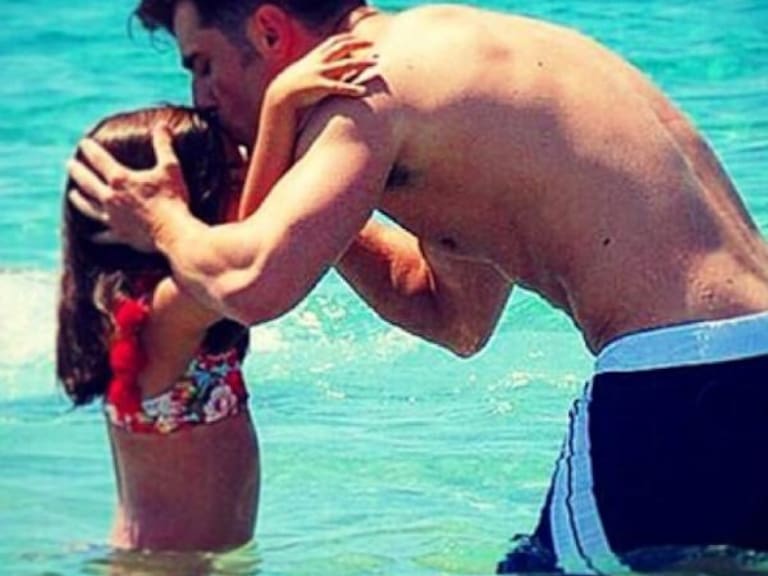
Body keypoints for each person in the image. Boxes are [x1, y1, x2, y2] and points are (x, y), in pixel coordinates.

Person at [67, 0, 768, 572]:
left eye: (202, 63)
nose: (202, 97)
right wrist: (300, 195)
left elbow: (250, 283)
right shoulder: (466, 54)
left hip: (677, 376)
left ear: (270, 31)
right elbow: (454, 319)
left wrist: (161, 219)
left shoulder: (365, 87)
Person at [57, 35, 375, 552]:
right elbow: (248, 248)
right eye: (231, 174)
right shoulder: (161, 315)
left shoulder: (169, 308)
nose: (246, 180)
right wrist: (279, 105)